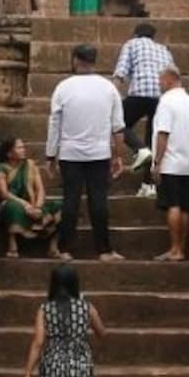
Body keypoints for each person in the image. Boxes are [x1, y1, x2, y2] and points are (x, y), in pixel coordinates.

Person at [46, 43, 124, 261]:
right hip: (100, 153)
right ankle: (104, 250)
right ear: (94, 61)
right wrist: (118, 155)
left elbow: (55, 123)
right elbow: (118, 126)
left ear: (75, 60)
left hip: (70, 153)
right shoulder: (108, 88)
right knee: (98, 201)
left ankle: (64, 249)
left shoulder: (63, 87)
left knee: (70, 200)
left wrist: (50, 155)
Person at [148, 64, 189, 261]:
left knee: (173, 205)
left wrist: (157, 162)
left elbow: (163, 134)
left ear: (168, 79)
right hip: (187, 164)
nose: (159, 84)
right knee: (185, 207)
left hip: (170, 163)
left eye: (160, 81)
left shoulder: (166, 102)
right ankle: (180, 249)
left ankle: (174, 249)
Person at [112, 22, 173, 171]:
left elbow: (121, 72)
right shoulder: (164, 50)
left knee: (117, 124)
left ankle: (139, 148)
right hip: (161, 98)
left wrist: (111, 96)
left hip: (140, 93)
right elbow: (171, 75)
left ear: (136, 34)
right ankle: (148, 185)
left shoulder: (132, 44)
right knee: (152, 139)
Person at [0, 137, 61, 257]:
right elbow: (3, 193)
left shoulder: (30, 165)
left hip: (33, 205)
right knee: (12, 206)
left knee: (62, 206)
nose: (23, 150)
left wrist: (37, 207)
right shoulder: (0, 168)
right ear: (9, 153)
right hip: (12, 203)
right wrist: (25, 204)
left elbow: (40, 190)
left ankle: (53, 247)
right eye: (19, 148)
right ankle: (12, 245)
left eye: (23, 147)